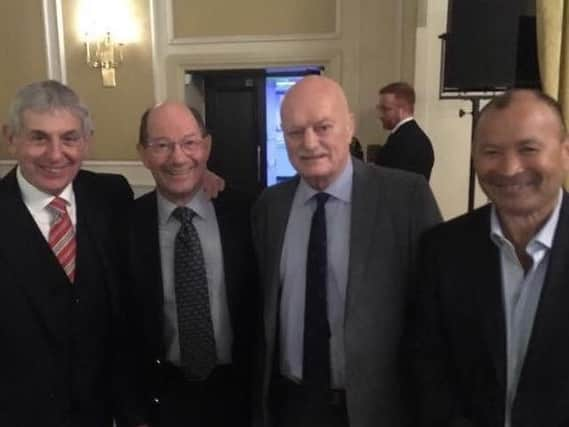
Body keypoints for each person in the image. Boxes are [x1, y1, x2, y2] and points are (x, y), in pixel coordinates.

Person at [252, 75, 441, 427]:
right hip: (290, 405)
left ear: (349, 125)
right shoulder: (270, 206)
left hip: (378, 409)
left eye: (323, 127)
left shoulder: (405, 198)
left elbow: (437, 313)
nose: (309, 143)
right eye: (294, 132)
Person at [413, 89, 569, 427]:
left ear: (565, 153)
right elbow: (428, 369)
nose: (510, 168)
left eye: (528, 149)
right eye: (491, 152)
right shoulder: (442, 250)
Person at [0, 80, 145, 426]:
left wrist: (203, 180)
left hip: (102, 413)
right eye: (39, 137)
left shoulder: (111, 196)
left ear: (86, 141)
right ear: (10, 138)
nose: (55, 154)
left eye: (69, 138)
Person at [127, 101, 256, 427]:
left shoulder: (250, 213)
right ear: (142, 153)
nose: (178, 157)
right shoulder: (124, 223)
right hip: (161, 397)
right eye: (162, 145)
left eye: (189, 143)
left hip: (242, 392)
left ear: (207, 146)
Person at [374, 81, 434, 181]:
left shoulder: (404, 142)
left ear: (402, 111)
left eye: (385, 109)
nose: (380, 115)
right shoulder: (417, 138)